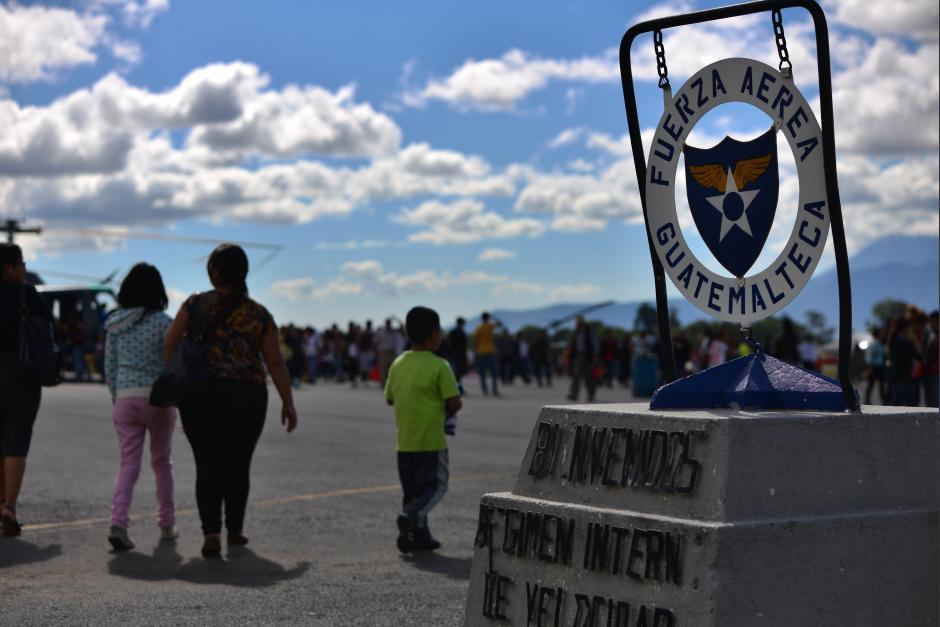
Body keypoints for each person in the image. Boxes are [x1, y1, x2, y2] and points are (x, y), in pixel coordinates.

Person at [165, 244, 298, 558]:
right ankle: (235, 531)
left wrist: (178, 383)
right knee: (239, 464)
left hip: (200, 395)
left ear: (213, 272)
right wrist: (288, 402)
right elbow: (275, 363)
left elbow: (170, 344)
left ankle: (211, 532)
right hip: (247, 395)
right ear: (244, 273)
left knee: (208, 464)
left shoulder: (194, 305)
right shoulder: (258, 314)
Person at [103, 263, 178, 551]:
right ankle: (167, 525)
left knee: (128, 464)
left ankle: (118, 522)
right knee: (161, 462)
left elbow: (109, 366)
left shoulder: (114, 324)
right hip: (157, 400)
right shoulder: (163, 322)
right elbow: (172, 363)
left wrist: (117, 397)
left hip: (124, 397)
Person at [385, 306, 461, 553]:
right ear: (432, 335)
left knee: (412, 492)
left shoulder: (397, 364)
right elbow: (454, 402)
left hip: (405, 442)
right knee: (437, 485)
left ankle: (419, 537)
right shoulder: (440, 366)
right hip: (431, 440)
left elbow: (389, 398)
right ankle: (414, 517)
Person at [0, 244, 51, 537]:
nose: (23, 268)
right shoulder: (27, 295)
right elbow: (49, 333)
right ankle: (9, 507)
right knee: (16, 442)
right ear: (8, 267)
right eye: (21, 263)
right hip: (22, 375)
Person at [887, 317, 920, 406]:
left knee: (896, 408)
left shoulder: (892, 342)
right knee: (911, 408)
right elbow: (919, 357)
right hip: (906, 379)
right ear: (905, 328)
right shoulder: (908, 343)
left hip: (895, 379)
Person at [566, 316, 598, 402]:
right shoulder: (577, 333)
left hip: (588, 357)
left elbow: (595, 345)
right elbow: (573, 345)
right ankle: (574, 394)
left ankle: (591, 394)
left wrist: (595, 357)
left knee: (589, 377)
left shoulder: (589, 333)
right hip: (579, 357)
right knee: (576, 376)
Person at [473, 312, 501, 396]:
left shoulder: (479, 328)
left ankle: (484, 389)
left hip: (481, 352)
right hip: (491, 351)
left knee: (482, 372)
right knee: (494, 371)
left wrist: (476, 351)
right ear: (488, 318)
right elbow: (500, 323)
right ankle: (494, 389)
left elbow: (475, 341)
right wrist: (493, 317)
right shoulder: (490, 326)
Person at [864, 328, 887, 405]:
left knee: (882, 384)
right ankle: (867, 399)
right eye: (881, 333)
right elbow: (869, 356)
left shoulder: (881, 344)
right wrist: (870, 367)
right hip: (874, 366)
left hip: (880, 366)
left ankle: (884, 400)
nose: (882, 334)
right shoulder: (873, 343)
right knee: (871, 383)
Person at [446, 318, 468, 384]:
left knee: (456, 371)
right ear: (462, 323)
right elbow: (464, 345)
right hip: (458, 354)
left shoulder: (453, 332)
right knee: (457, 372)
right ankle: (457, 387)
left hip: (453, 354)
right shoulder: (461, 332)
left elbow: (448, 343)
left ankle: (457, 387)